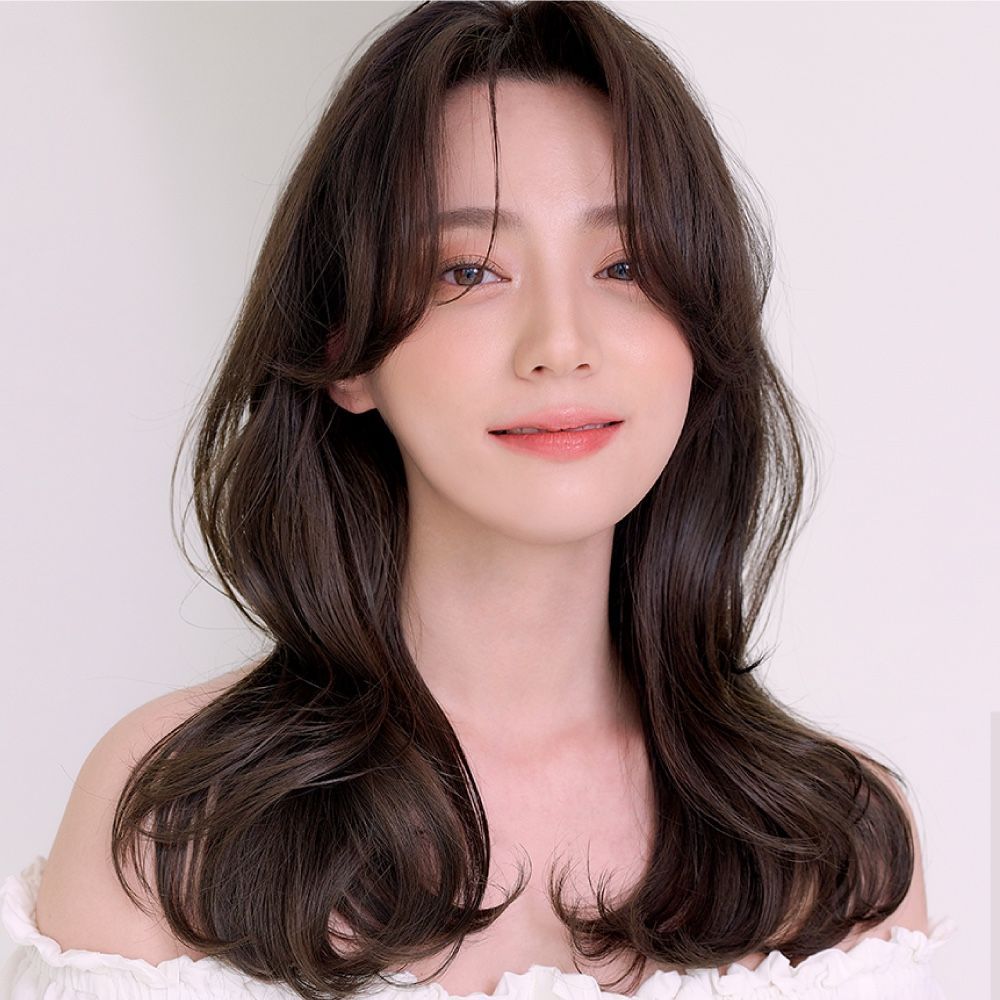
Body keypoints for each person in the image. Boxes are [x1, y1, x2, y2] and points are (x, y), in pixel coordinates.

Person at [0, 2, 954, 998]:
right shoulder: (176, 819)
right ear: (347, 348)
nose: (560, 341)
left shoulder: (834, 845)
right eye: (469, 269)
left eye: (623, 264)